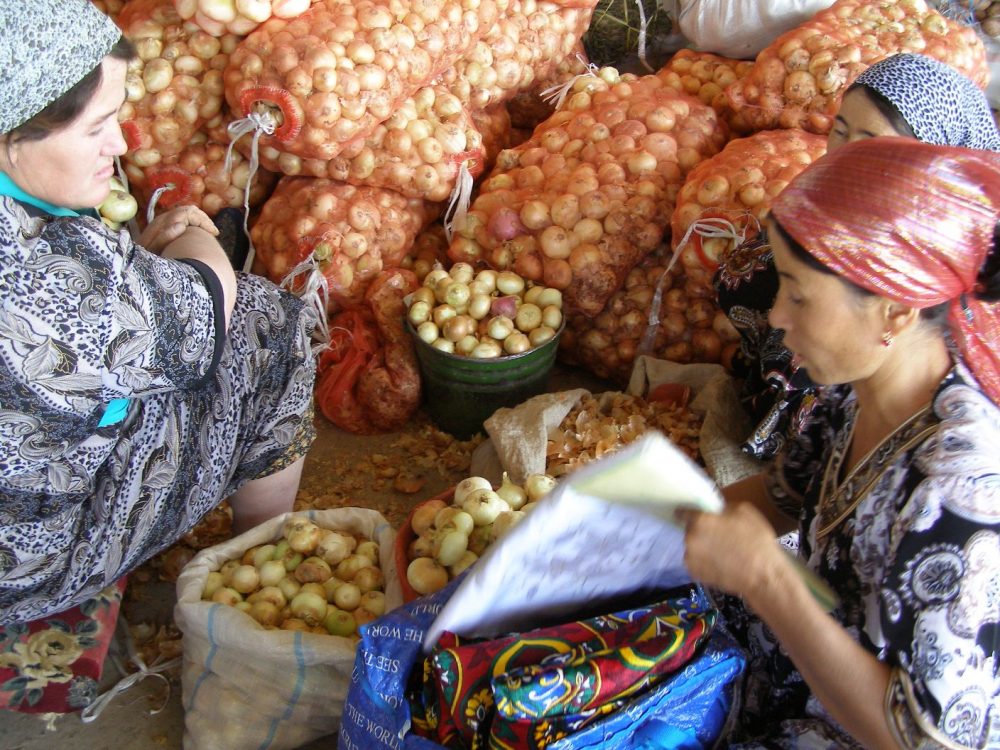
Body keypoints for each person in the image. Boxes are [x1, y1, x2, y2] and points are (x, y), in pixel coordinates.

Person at [0, 0, 318, 625]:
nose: (119, 145)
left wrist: (132, 267)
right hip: (24, 566)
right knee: (269, 324)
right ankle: (265, 564)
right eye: (97, 128)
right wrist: (190, 231)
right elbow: (208, 304)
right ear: (11, 138)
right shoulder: (46, 270)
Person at [683, 137, 1000, 749]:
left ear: (894, 311)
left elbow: (921, 739)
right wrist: (643, 513)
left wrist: (769, 582)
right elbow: (779, 497)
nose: (777, 315)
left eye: (799, 294)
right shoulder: (855, 394)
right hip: (807, 670)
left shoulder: (961, 494)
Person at [715, 53, 1000, 460]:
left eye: (872, 144)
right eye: (840, 130)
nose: (845, 154)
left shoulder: (942, 443)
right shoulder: (816, 217)